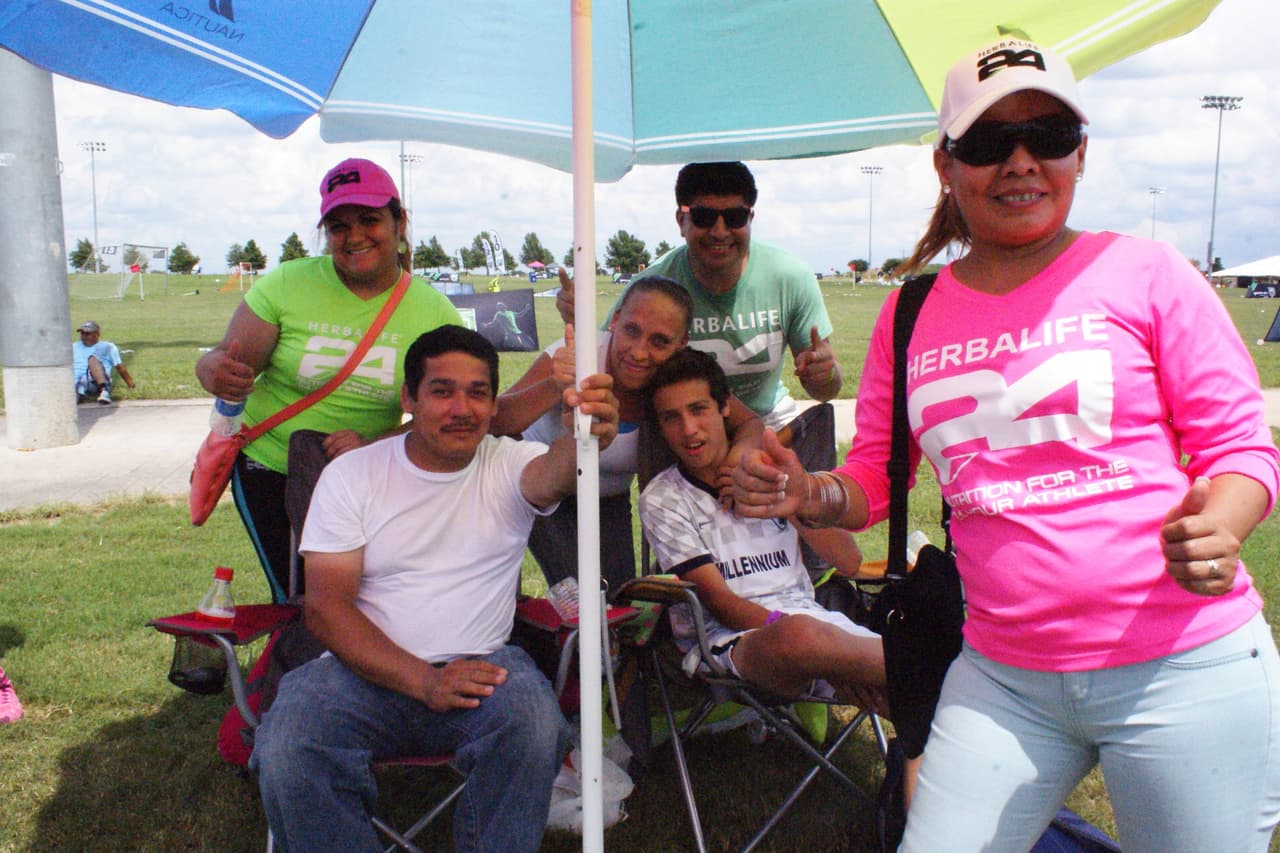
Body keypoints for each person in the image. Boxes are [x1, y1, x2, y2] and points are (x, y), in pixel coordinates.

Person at [732, 38, 1280, 852]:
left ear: (1081, 153)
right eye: (989, 143)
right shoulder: (910, 313)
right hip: (1002, 677)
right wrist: (811, 494)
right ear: (946, 165)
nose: (1021, 162)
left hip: (1180, 661)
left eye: (1049, 136)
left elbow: (1241, 446)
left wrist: (1222, 523)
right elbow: (876, 479)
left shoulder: (1148, 273)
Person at [250, 325, 620, 853]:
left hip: (484, 668)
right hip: (361, 672)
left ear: (495, 406)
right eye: (442, 391)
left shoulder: (507, 463)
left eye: (478, 392)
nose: (461, 408)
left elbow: (555, 474)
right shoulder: (353, 476)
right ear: (409, 399)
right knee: (289, 745)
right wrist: (425, 681)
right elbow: (327, 611)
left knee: (535, 726)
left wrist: (586, 437)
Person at [195, 158, 462, 602]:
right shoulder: (287, 283)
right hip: (271, 468)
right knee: (300, 600)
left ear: (400, 222)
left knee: (372, 598)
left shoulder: (434, 313)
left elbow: (453, 414)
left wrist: (378, 445)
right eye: (338, 226)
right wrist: (212, 371)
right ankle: (300, 671)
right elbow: (225, 358)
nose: (354, 236)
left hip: (369, 476)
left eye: (369, 220)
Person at [640, 348, 885, 706]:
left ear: (725, 407)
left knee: (903, 698)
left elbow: (848, 561)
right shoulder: (664, 498)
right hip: (730, 644)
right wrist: (786, 629)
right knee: (806, 637)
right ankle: (919, 669)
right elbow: (721, 605)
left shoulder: (769, 474)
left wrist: (793, 498)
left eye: (698, 409)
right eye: (671, 418)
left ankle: (924, 734)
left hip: (819, 629)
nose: (689, 429)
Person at [491, 276, 762, 592]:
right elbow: (499, 420)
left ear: (681, 344)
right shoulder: (576, 353)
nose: (639, 352)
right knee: (582, 599)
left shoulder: (678, 377)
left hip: (609, 499)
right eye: (631, 331)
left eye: (659, 341)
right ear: (615, 320)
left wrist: (737, 461)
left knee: (620, 602)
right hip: (541, 490)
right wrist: (555, 386)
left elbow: (750, 423)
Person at [557, 161, 843, 431]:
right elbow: (610, 360)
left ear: (750, 218)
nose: (720, 231)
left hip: (767, 418)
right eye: (704, 217)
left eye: (734, 217)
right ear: (682, 221)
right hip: (682, 427)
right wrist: (577, 322)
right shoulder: (652, 286)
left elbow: (826, 391)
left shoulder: (789, 277)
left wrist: (825, 373)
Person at [73, 320, 135, 404]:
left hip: (97, 381)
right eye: (82, 333)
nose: (83, 336)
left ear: (96, 335)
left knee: (92, 359)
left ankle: (104, 392)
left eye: (87, 334)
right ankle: (76, 395)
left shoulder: (107, 347)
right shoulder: (74, 346)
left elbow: (120, 367)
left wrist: (131, 385)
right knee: (79, 381)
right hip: (78, 381)